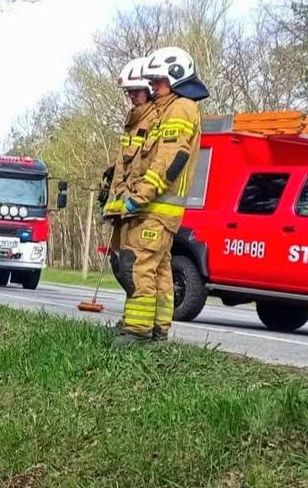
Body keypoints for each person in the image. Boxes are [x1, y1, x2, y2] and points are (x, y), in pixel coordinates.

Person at [115, 46, 208, 344]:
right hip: (158, 208)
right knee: (159, 269)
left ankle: (138, 331)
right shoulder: (168, 108)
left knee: (139, 264)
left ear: (176, 77)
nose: (153, 86)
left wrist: (140, 195)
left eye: (157, 81)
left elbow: (170, 159)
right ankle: (157, 329)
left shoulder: (181, 108)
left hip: (156, 206)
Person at [101, 56, 154, 297]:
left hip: (140, 207)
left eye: (136, 91)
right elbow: (127, 162)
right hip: (122, 203)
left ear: (149, 89)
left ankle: (140, 315)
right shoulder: (132, 120)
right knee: (118, 261)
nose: (131, 96)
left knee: (133, 266)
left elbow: (151, 164)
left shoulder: (154, 120)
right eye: (128, 91)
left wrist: (136, 199)